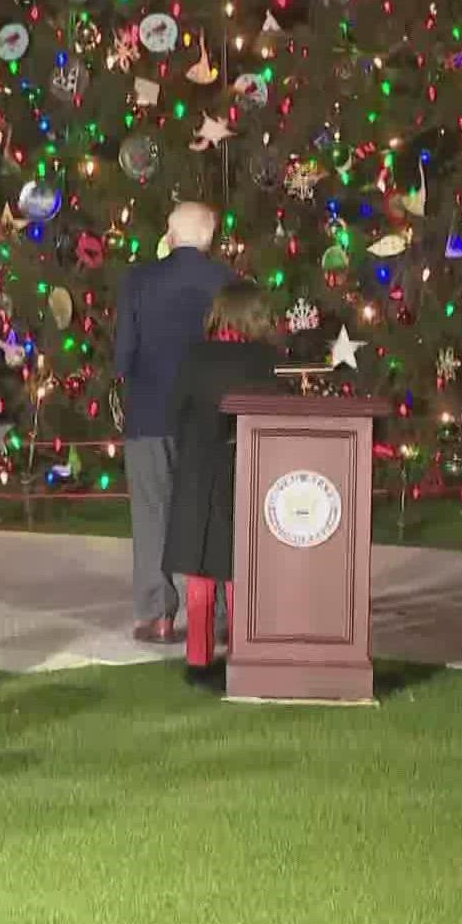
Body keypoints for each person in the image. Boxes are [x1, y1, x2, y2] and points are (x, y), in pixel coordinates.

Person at [114, 203, 234, 645]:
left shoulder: (140, 280)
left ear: (171, 233)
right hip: (209, 415)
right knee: (213, 513)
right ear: (211, 237)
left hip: (150, 412)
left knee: (151, 514)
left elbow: (123, 354)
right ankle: (222, 616)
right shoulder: (227, 282)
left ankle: (158, 615)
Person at [161, 281, 285, 686]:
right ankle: (243, 655)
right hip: (247, 469)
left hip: (199, 471)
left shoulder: (197, 355)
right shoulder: (267, 359)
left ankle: (198, 659)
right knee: (240, 566)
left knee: (200, 571)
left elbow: (176, 410)